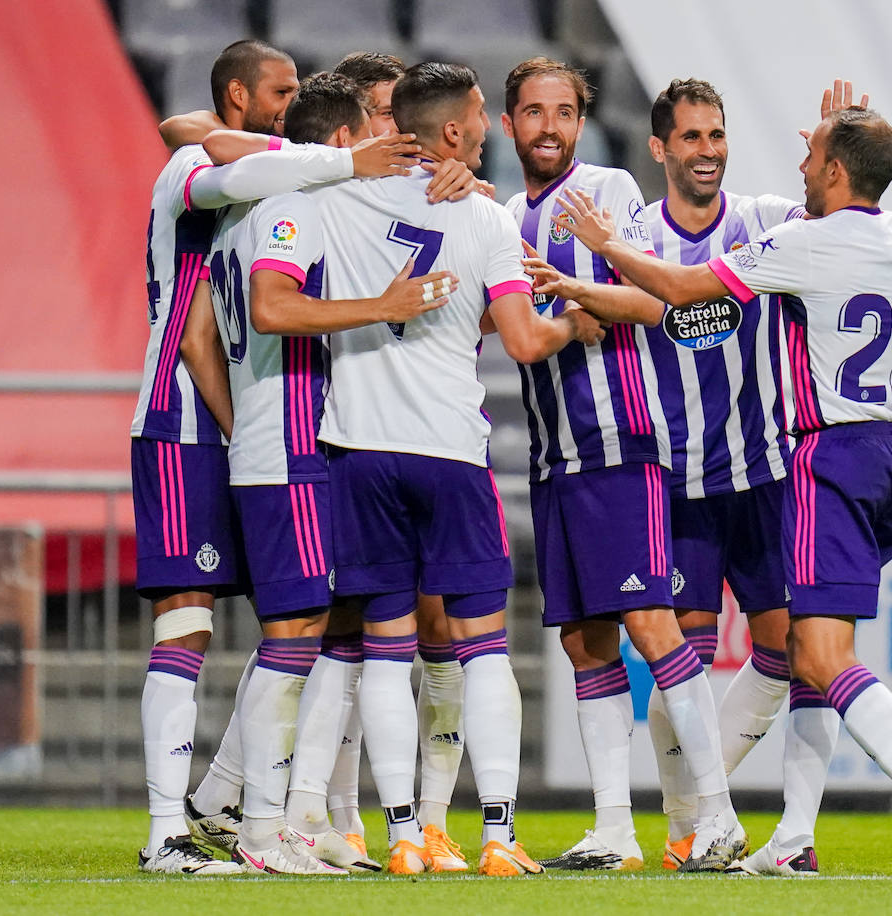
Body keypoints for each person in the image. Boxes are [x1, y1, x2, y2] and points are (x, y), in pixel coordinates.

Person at [542, 103, 892, 880]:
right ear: (662, 147)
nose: (801, 168)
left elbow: (679, 291)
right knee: (808, 650)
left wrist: (601, 249)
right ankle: (790, 836)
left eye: (812, 157)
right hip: (887, 454)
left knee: (819, 653)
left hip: (822, 458)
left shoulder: (798, 238)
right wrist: (839, 133)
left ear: (838, 172)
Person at [293, 61, 602, 876]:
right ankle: (498, 836)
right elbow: (528, 339)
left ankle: (398, 839)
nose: (493, 130)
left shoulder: (337, 196)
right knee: (482, 647)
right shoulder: (484, 216)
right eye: (481, 117)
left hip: (360, 451)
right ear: (457, 134)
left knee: (384, 653)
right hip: (451, 456)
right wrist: (576, 318)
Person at [133, 38, 418, 876]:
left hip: (242, 421)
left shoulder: (274, 186)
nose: (290, 103)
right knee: (188, 621)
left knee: (300, 622)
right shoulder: (195, 167)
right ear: (236, 95)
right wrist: (339, 162)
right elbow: (192, 329)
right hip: (185, 423)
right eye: (279, 90)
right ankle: (166, 832)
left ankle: (246, 804)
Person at [196, 71, 464, 876]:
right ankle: (261, 826)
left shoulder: (255, 210)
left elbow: (207, 333)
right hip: (288, 450)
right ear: (345, 143)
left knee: (309, 634)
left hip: (281, 446)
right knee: (294, 638)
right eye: (374, 139)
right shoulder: (289, 209)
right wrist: (384, 306)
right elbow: (274, 309)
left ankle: (278, 815)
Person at [499, 57, 743, 873]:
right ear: (510, 125)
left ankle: (715, 815)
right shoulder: (501, 215)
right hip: (554, 453)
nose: (549, 127)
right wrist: (570, 311)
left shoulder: (602, 193)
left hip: (620, 444)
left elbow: (659, 302)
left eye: (563, 112)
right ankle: (613, 828)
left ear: (580, 122)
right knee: (583, 642)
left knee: (651, 625)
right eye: (534, 112)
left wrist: (577, 294)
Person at [278, 50, 477, 874]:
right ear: (355, 125)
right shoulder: (318, 188)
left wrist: (470, 188)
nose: (399, 133)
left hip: (410, 426)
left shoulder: (443, 200)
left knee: (416, 629)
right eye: (385, 117)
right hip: (340, 430)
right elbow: (196, 136)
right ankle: (316, 812)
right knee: (337, 630)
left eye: (406, 116)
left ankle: (417, 821)